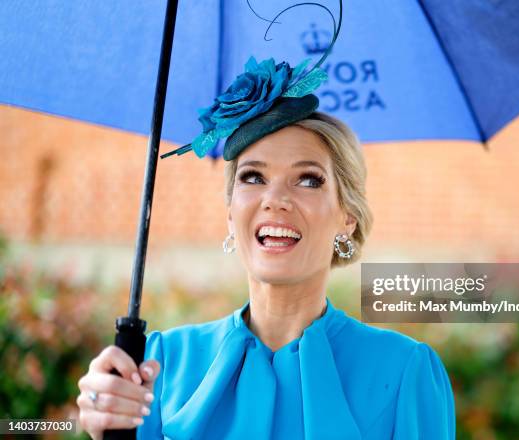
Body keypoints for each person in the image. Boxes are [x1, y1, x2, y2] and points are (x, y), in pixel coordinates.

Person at [76, 53, 455, 439]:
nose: (274, 199)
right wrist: (104, 430)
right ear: (230, 213)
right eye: (253, 176)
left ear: (347, 217)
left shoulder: (406, 371)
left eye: (308, 180)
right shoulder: (158, 364)